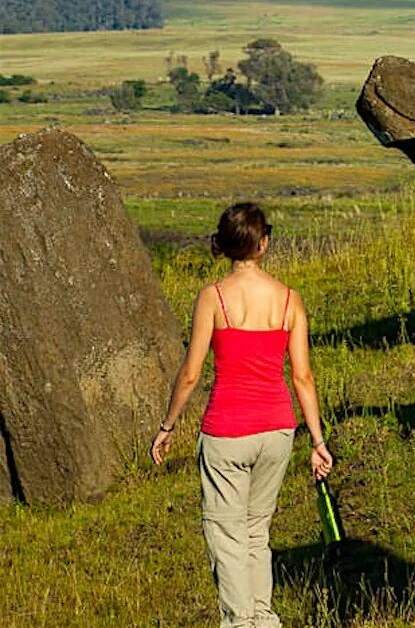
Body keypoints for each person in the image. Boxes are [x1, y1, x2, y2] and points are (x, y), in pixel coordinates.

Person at [151, 202, 334, 628]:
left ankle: (240, 622)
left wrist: (168, 426)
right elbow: (303, 377)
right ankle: (263, 619)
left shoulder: (213, 298)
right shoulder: (290, 300)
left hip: (226, 432)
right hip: (277, 431)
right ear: (263, 244)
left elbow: (191, 373)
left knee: (226, 535)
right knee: (257, 533)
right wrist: (318, 441)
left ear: (225, 245)